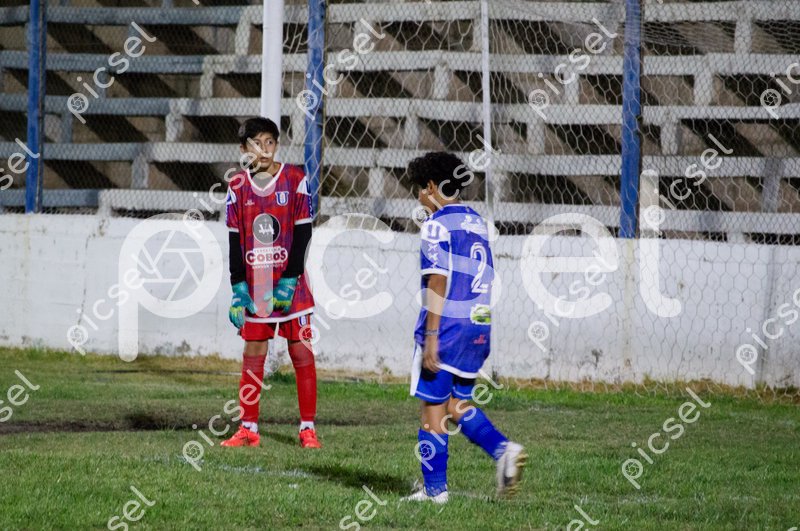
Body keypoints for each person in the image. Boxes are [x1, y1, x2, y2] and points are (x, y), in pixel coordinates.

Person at [402, 152, 526, 503]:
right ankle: (504, 450)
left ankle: (435, 492)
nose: (418, 198)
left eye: (419, 189)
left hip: (447, 328)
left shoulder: (436, 224)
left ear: (431, 187)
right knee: (457, 403)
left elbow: (437, 281)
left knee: (432, 409)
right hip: (478, 326)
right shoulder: (476, 221)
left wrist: (431, 337)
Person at [222, 117, 321, 449]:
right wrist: (238, 289)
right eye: (255, 143)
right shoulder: (237, 186)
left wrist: (290, 279)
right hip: (256, 286)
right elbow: (235, 240)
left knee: (301, 352)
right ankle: (248, 428)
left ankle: (307, 429)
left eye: (269, 142)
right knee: (253, 352)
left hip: (292, 284)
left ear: (276, 145)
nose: (263, 150)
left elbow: (304, 233)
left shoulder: (295, 179)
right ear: (243, 149)